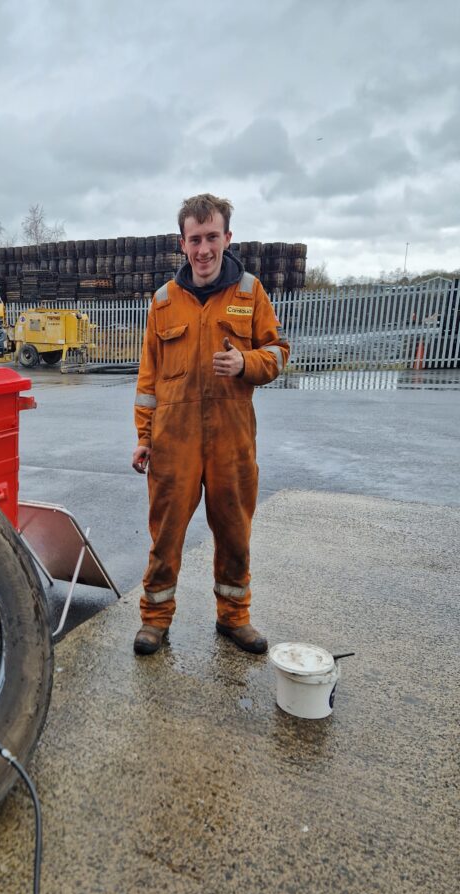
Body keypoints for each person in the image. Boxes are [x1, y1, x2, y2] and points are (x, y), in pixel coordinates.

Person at [131, 193, 289, 656]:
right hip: (173, 443)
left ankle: (234, 617)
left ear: (227, 238)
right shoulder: (163, 302)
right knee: (165, 536)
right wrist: (144, 438)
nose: (203, 249)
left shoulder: (249, 292)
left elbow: (279, 352)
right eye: (194, 239)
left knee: (235, 533)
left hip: (231, 441)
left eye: (211, 237)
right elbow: (148, 380)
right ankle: (155, 620)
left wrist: (246, 362)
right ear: (182, 243)